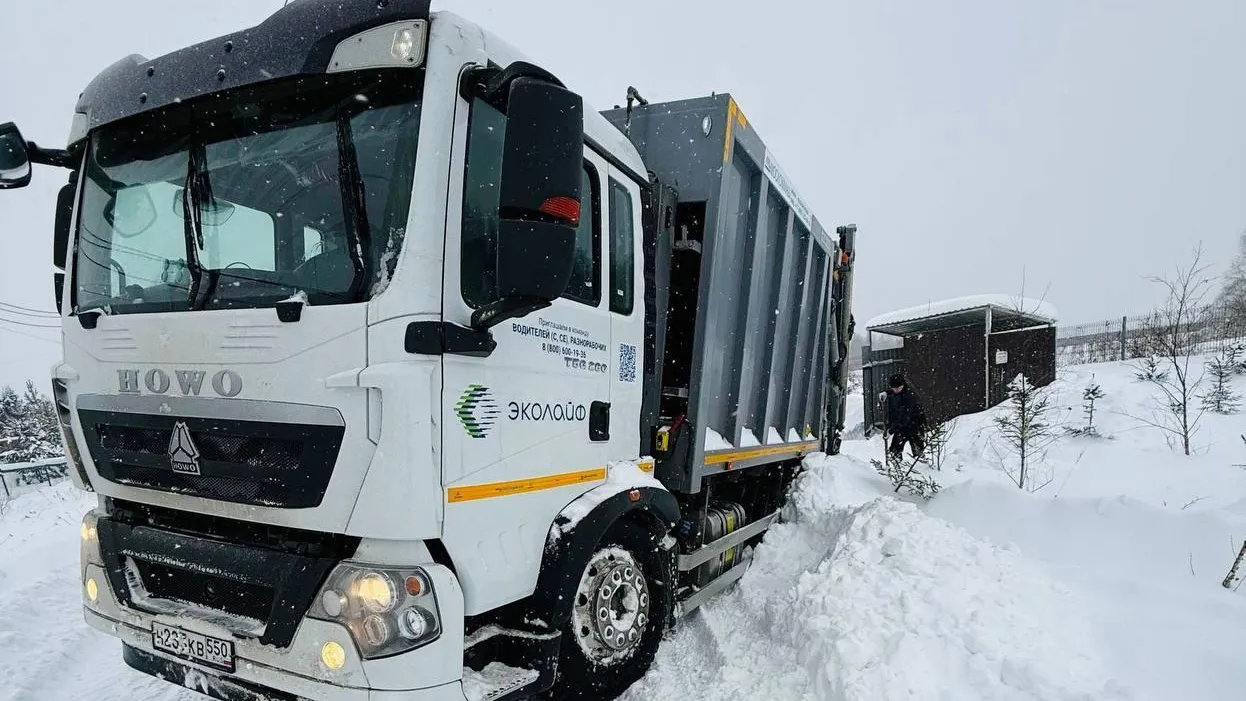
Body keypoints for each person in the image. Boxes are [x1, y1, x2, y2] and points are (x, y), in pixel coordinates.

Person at [884, 374, 926, 463]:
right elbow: (893, 391)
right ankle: (897, 468)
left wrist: (890, 431)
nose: (896, 390)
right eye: (894, 388)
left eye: (898, 388)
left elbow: (903, 418)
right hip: (904, 426)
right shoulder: (899, 391)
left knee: (918, 451)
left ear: (903, 385)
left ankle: (922, 468)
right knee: (894, 449)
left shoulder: (909, 397)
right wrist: (886, 393)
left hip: (916, 425)